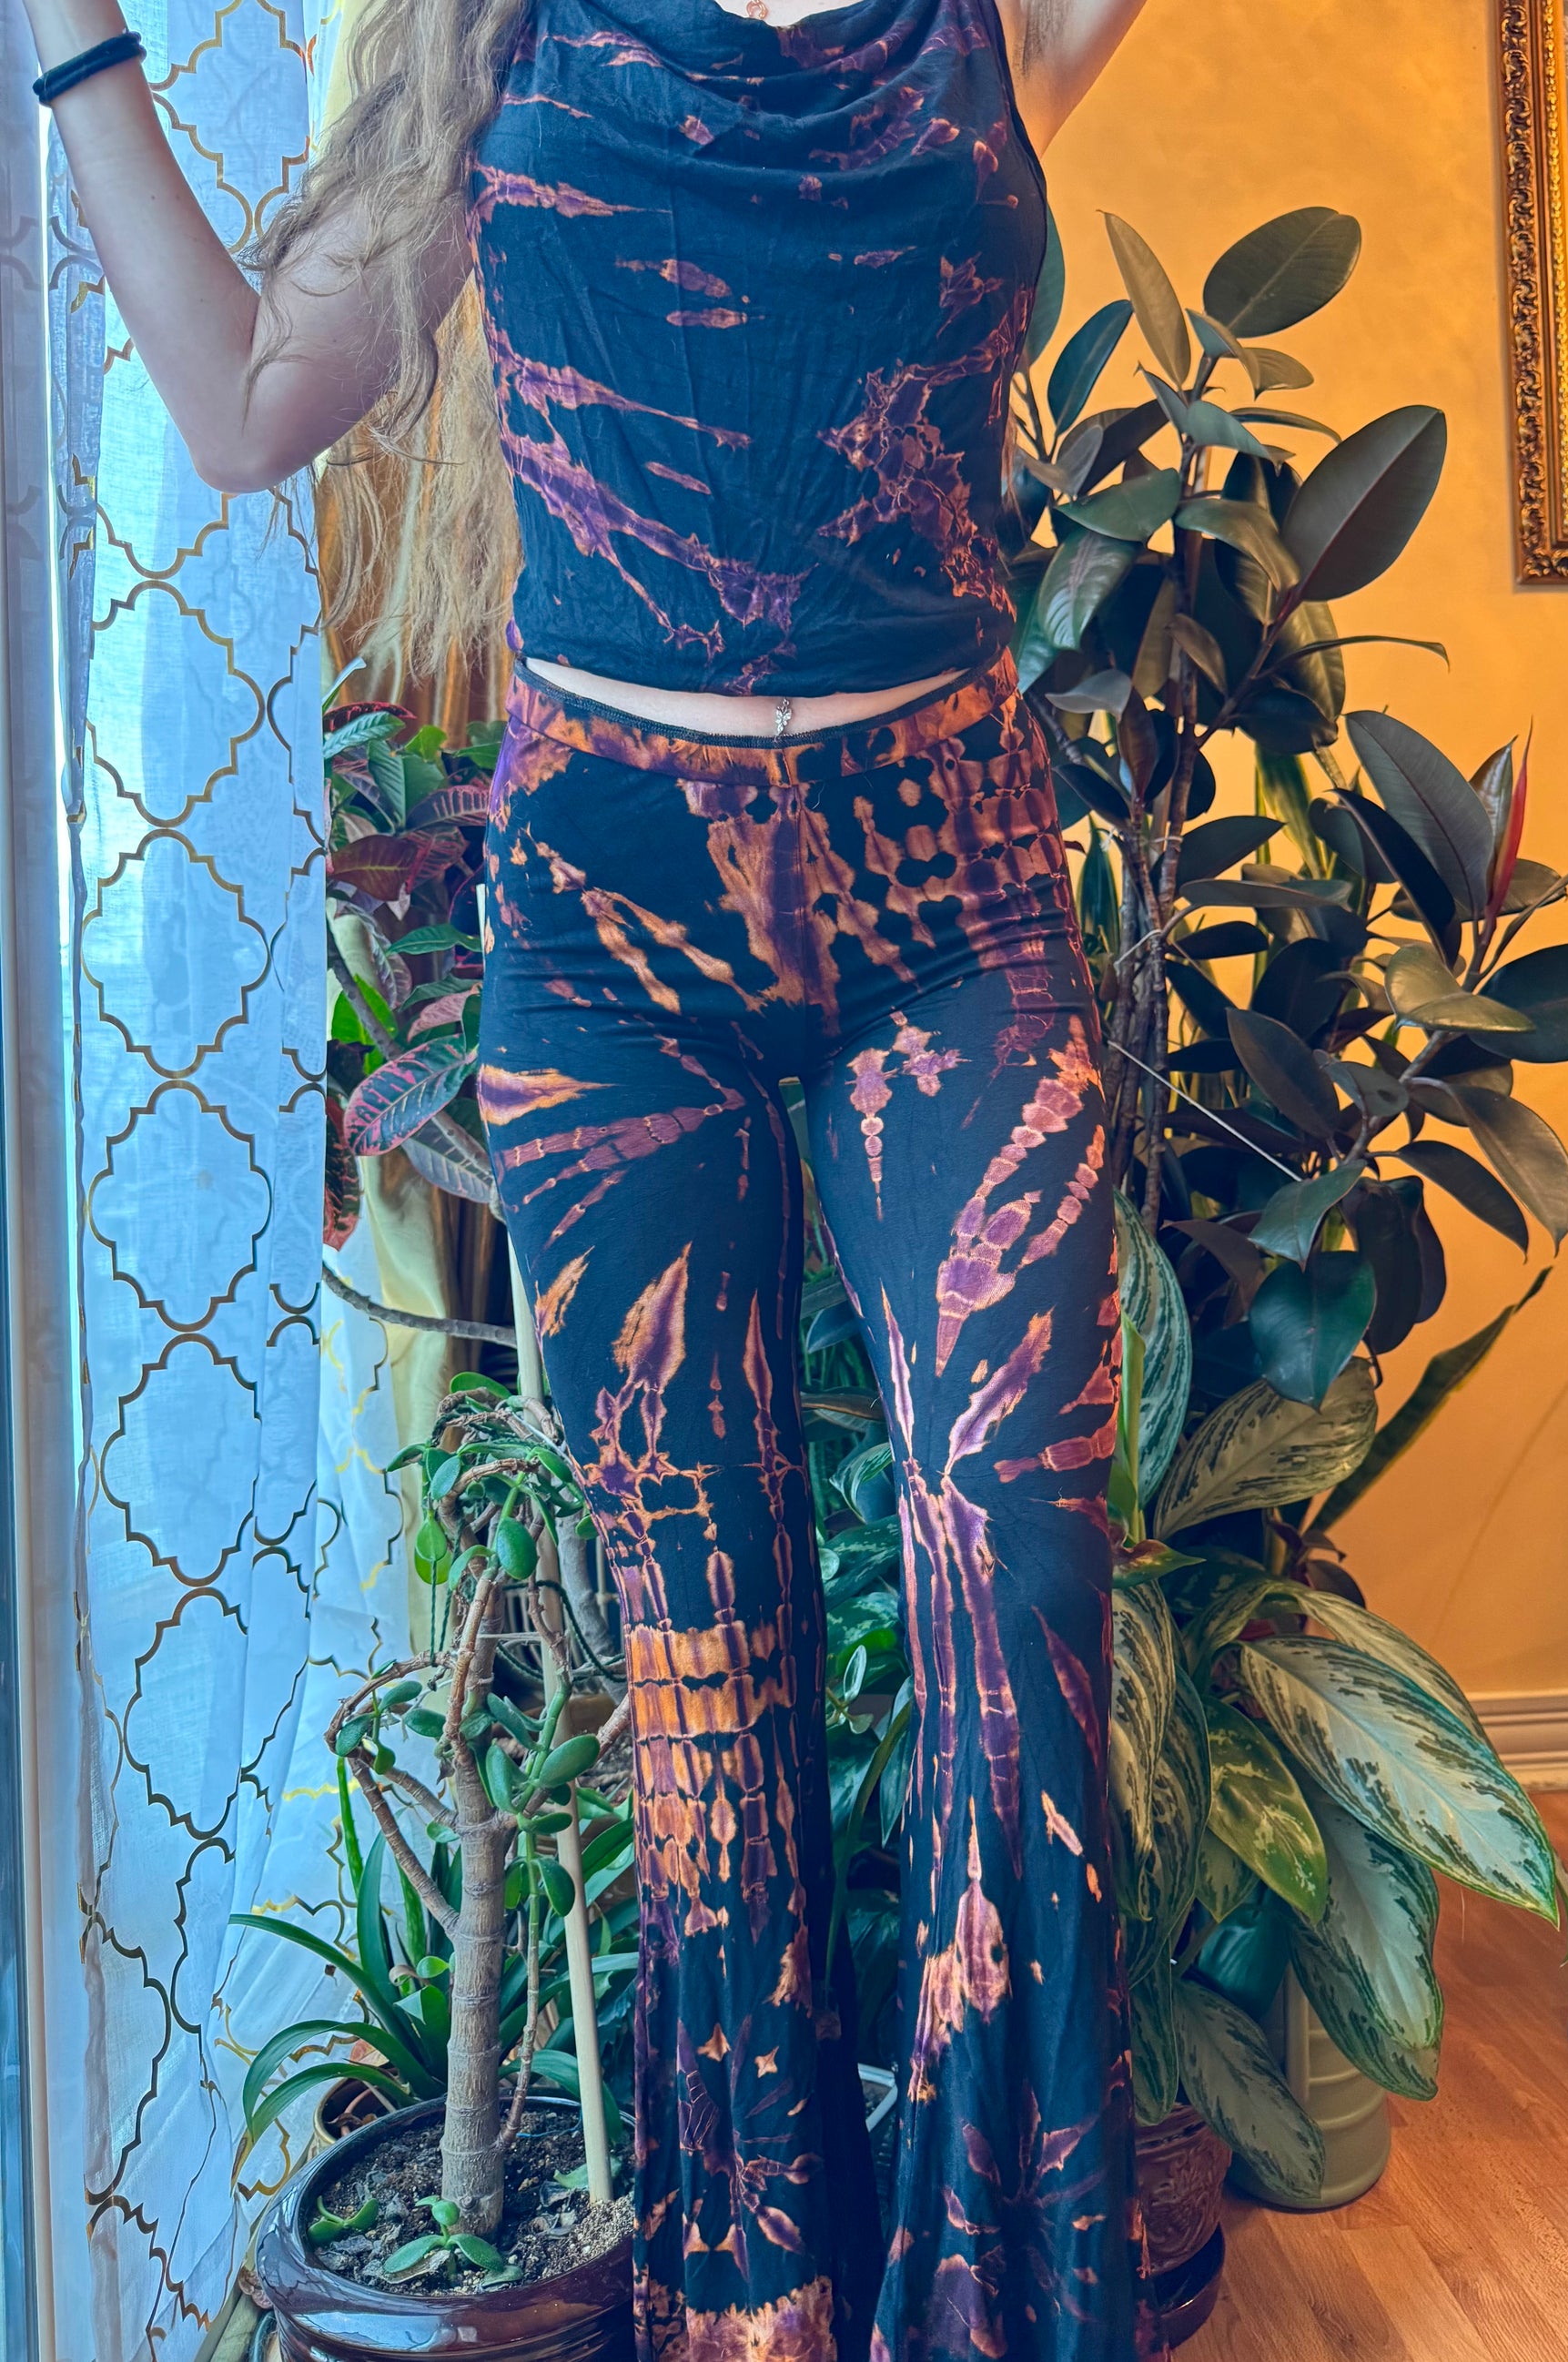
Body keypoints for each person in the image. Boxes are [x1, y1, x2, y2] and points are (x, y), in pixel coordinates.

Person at [23, 0, 1156, 2348]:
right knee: (699, 1656)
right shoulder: (490, 41)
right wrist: (79, 50)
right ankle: (760, 2315)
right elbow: (242, 412)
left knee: (1025, 1573)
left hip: (951, 891)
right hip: (616, 922)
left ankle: (1005, 2318)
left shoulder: (995, 23)